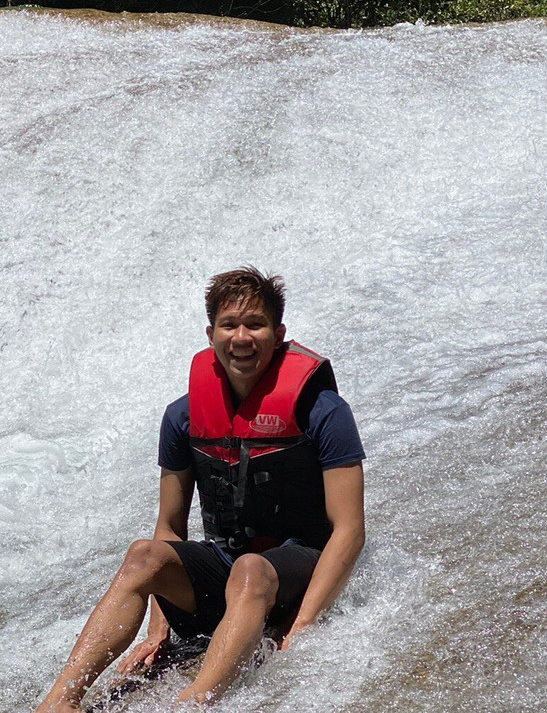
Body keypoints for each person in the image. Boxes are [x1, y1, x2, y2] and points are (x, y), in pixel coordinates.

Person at [37, 267, 365, 710]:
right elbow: (169, 526)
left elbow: (349, 530)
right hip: (227, 575)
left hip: (294, 572)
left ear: (279, 332)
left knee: (251, 569)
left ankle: (194, 702)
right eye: (230, 325)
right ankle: (59, 701)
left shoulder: (323, 411)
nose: (242, 338)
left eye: (256, 325)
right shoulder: (182, 417)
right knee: (142, 555)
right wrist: (159, 629)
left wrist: (303, 624)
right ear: (211, 333)